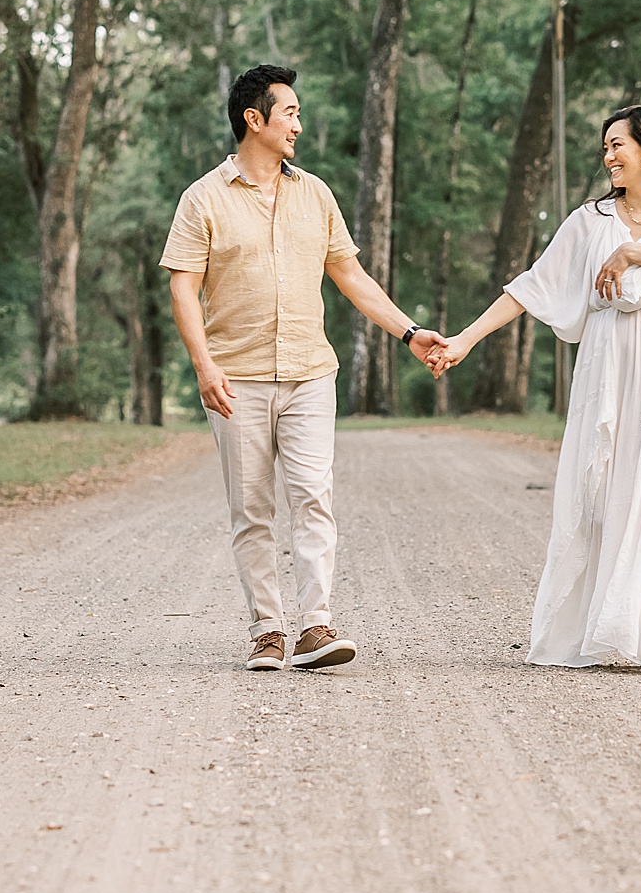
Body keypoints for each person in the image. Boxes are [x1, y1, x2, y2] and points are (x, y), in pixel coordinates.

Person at [439, 105, 641, 675]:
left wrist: (631, 250)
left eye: (617, 144)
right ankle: (610, 629)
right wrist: (465, 339)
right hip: (610, 365)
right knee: (608, 487)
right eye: (604, 147)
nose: (607, 156)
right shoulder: (588, 220)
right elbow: (532, 286)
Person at [163, 62, 446, 673]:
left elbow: (350, 275)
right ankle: (268, 630)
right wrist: (204, 367)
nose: (299, 123)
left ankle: (315, 625)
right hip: (235, 379)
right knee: (252, 507)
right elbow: (183, 289)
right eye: (289, 112)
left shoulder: (315, 194)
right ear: (253, 119)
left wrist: (410, 332)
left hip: (310, 373)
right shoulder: (203, 199)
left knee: (313, 497)